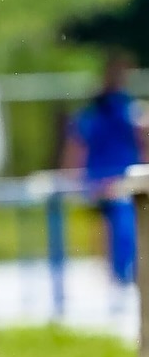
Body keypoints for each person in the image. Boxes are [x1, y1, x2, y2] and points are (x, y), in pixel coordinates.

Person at [62, 52, 145, 286]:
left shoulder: (124, 107)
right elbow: (77, 143)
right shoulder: (109, 110)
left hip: (114, 176)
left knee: (116, 226)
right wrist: (73, 176)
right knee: (118, 225)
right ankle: (120, 275)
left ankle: (120, 275)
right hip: (109, 177)